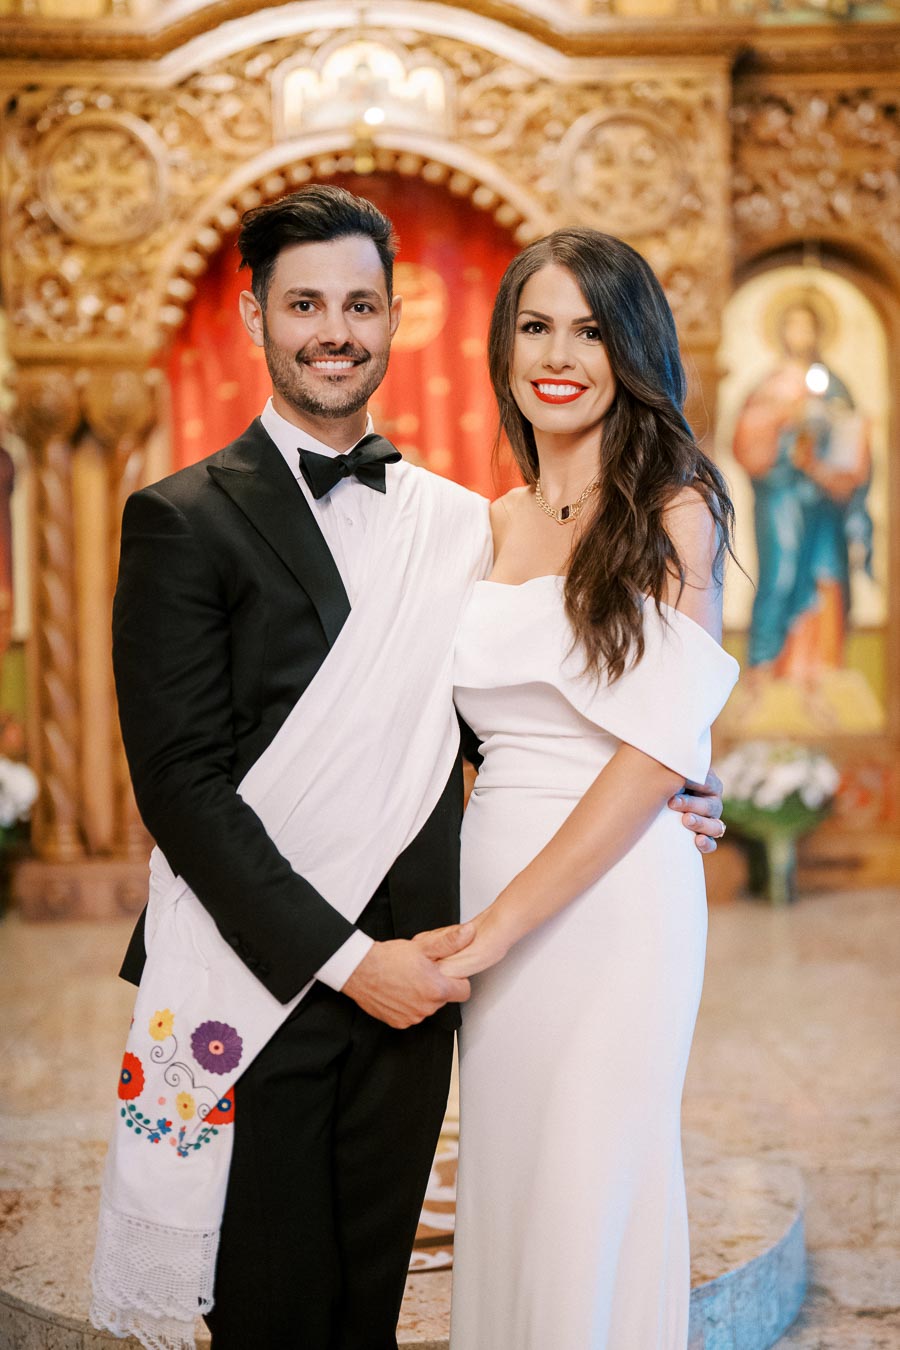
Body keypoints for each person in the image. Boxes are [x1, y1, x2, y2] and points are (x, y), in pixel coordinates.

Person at [90, 186, 725, 1350]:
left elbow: (506, 712)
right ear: (254, 317)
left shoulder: (451, 521)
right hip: (275, 965)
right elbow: (180, 786)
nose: (335, 328)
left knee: (422, 1274)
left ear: (397, 322)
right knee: (274, 1300)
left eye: (361, 304)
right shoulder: (180, 518)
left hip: (434, 958)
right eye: (305, 304)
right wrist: (348, 961)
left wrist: (674, 772)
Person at [442, 229, 740, 1349]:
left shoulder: (675, 507)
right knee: (514, 1187)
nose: (559, 354)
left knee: (590, 1187)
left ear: (634, 350)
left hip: (615, 901)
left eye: (592, 328)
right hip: (493, 887)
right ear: (503, 347)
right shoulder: (486, 526)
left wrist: (496, 927)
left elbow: (661, 748)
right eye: (535, 325)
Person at [732, 297, 872, 682]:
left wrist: (834, 442)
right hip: (781, 497)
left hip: (825, 502)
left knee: (825, 576)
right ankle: (762, 671)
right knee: (781, 574)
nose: (800, 334)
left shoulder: (834, 385)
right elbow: (746, 443)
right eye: (792, 325)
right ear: (781, 331)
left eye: (807, 325)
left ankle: (818, 675)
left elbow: (855, 442)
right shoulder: (769, 385)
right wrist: (786, 420)